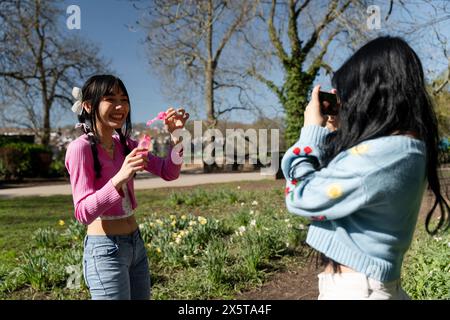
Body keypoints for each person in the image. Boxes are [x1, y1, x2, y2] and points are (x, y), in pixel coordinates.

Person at [281, 36, 449, 300]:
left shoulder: (383, 156)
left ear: (371, 93)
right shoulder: (405, 148)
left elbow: (301, 197)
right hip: (369, 287)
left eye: (351, 94)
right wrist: (338, 136)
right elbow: (346, 183)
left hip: (357, 291)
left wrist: (310, 134)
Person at [65, 74, 189, 300]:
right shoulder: (79, 149)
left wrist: (177, 138)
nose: (120, 106)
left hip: (136, 245)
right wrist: (119, 178)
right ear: (88, 105)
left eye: (124, 99)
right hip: (105, 252)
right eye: (110, 99)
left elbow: (169, 172)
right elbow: (83, 213)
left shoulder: (126, 145)